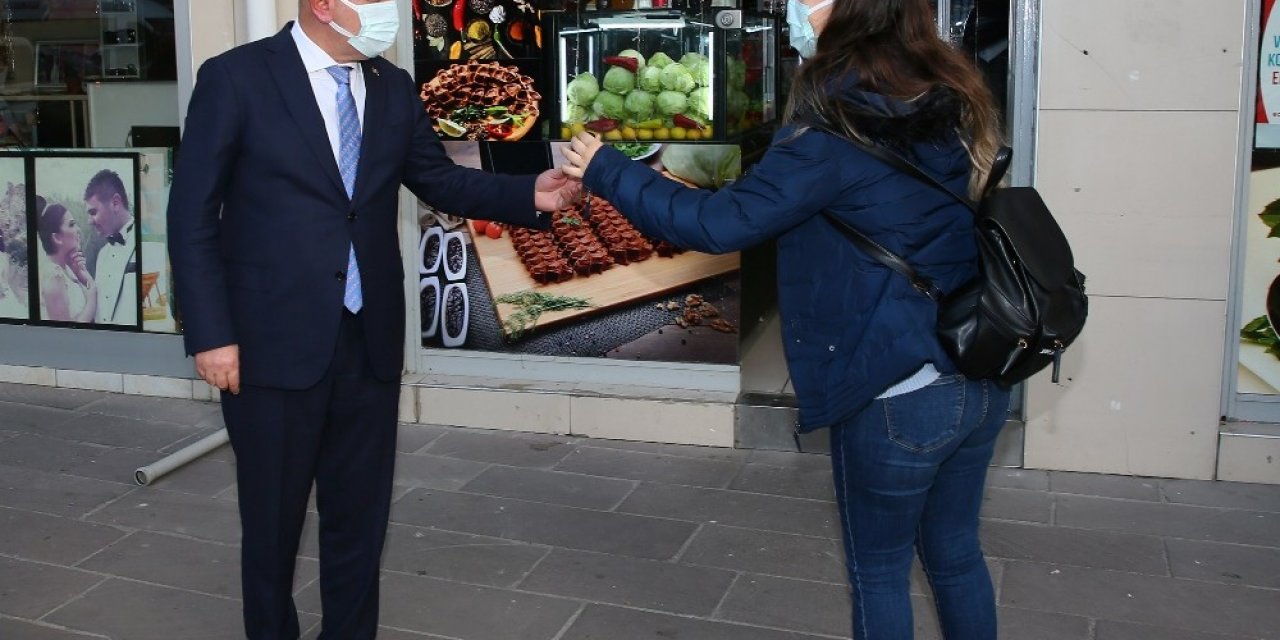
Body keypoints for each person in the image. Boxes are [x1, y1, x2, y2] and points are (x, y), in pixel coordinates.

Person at [562, 0, 1009, 637]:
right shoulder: (947, 96)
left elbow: (715, 228)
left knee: (879, 570)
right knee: (956, 553)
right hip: (973, 366)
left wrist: (606, 168)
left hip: (897, 386)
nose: (799, 8)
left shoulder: (838, 124)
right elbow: (850, 206)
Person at [166, 1, 579, 638]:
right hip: (270, 342)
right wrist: (212, 334)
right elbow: (191, 218)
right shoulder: (236, 77)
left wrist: (530, 194)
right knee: (272, 526)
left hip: (369, 338)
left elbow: (438, 180)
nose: (391, 11)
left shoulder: (392, 86)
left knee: (360, 522)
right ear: (327, 5)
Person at [84, 169, 137, 326]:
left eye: (93, 212)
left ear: (115, 203)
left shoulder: (147, 241)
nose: (89, 221)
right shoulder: (102, 255)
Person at [36, 202, 97, 323]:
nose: (78, 230)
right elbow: (65, 333)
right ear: (57, 238)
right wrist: (92, 297)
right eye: (72, 224)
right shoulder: (52, 275)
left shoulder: (67, 268)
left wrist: (81, 273)